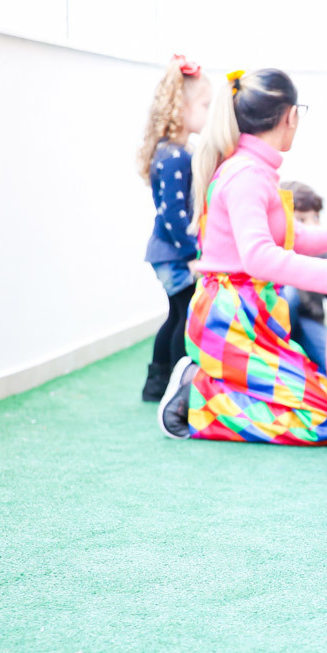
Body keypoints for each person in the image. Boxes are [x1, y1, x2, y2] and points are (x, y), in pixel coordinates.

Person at [158, 68, 327, 445]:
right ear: (290, 116)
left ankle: (211, 383)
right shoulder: (247, 176)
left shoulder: (253, 170)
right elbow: (259, 257)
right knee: (322, 422)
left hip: (252, 314)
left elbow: (291, 237)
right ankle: (196, 394)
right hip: (231, 320)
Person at [139, 55, 213, 402]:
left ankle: (157, 385)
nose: (209, 113)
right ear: (181, 108)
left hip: (169, 251)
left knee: (176, 314)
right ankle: (173, 386)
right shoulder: (175, 156)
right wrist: (192, 254)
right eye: (205, 105)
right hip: (174, 252)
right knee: (185, 316)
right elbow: (173, 216)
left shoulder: (176, 152)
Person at [277, 179, 327, 372]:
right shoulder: (273, 249)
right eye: (301, 220)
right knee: (290, 295)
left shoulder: (325, 251)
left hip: (310, 320)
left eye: (316, 217)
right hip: (276, 323)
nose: (312, 226)